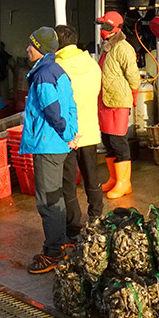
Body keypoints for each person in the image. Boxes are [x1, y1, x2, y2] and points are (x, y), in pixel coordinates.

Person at [19, 27, 78, 275]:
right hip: (60, 144)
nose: (27, 49)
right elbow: (71, 105)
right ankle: (60, 239)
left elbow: (53, 111)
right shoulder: (57, 70)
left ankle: (53, 252)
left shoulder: (43, 75)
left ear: (40, 49)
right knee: (57, 196)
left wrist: (65, 133)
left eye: (31, 45)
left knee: (48, 202)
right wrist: (72, 134)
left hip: (49, 145)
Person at [53, 24, 104, 232]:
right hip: (89, 129)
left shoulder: (56, 67)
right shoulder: (92, 65)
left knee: (68, 181)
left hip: (66, 133)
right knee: (91, 175)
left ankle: (73, 225)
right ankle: (97, 217)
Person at [97, 11, 141, 199]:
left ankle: (124, 182)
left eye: (105, 26)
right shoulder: (107, 47)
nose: (102, 29)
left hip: (118, 103)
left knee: (118, 142)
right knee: (108, 141)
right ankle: (114, 179)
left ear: (114, 29)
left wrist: (132, 97)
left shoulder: (123, 47)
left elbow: (134, 78)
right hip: (105, 102)